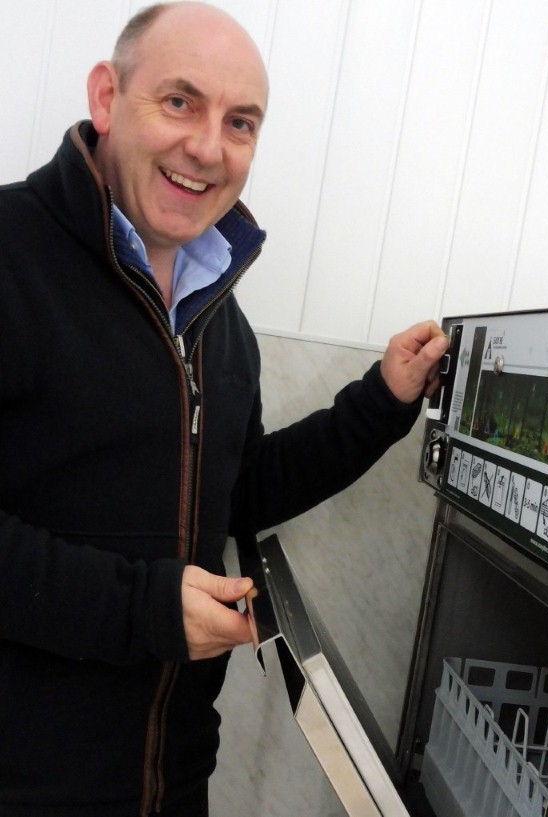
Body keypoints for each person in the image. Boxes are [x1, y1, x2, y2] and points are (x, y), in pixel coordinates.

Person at [0, 4, 448, 816]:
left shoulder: (221, 323)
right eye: (180, 102)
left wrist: (381, 402)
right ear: (107, 98)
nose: (208, 147)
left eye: (240, 122)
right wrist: (144, 608)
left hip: (173, 785)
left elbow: (236, 492)